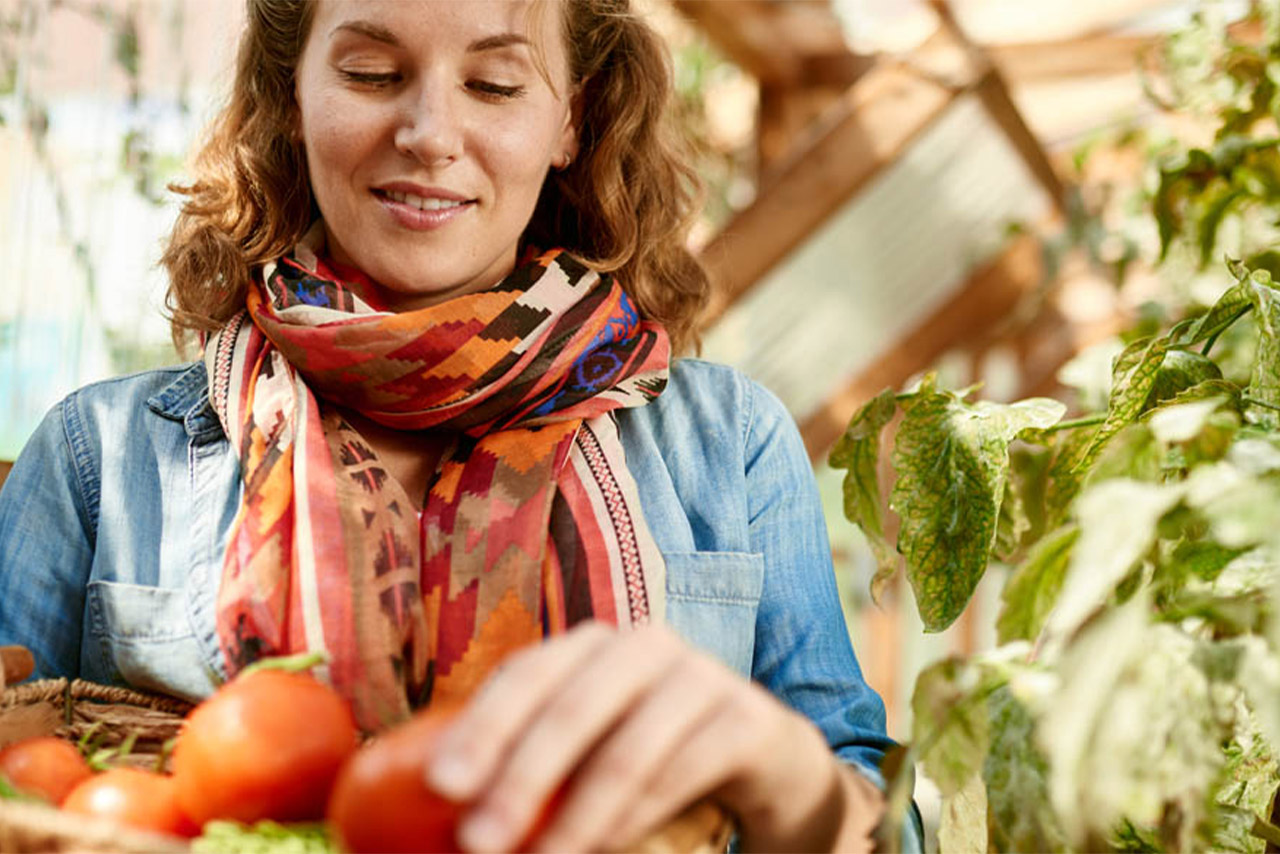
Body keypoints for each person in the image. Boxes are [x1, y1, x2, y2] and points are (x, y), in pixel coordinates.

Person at [0, 1, 922, 851]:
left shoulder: (730, 446)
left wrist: (791, 778)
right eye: (369, 75)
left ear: (572, 118)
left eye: (494, 84)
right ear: (291, 95)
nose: (431, 134)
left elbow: (888, 827)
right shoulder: (100, 458)